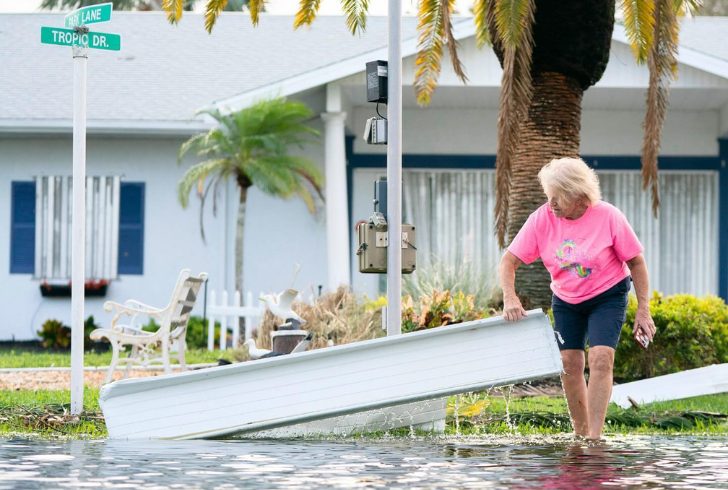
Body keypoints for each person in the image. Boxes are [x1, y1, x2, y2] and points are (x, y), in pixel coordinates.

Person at [498, 157, 656, 440]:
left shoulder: (608, 216)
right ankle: (580, 434)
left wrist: (643, 310)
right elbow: (508, 261)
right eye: (549, 196)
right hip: (566, 299)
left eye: (558, 196)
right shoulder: (542, 219)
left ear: (579, 196)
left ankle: (594, 438)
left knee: (601, 358)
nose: (552, 203)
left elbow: (636, 263)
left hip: (607, 295)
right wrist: (510, 297)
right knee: (569, 363)